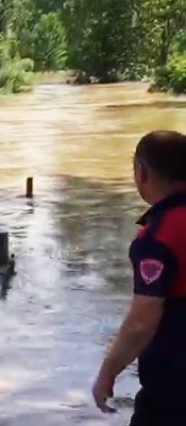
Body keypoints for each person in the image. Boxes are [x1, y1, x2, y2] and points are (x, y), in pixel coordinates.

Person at [92, 130, 186, 425]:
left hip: (175, 390)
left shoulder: (159, 238)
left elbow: (142, 320)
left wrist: (107, 373)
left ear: (141, 172)